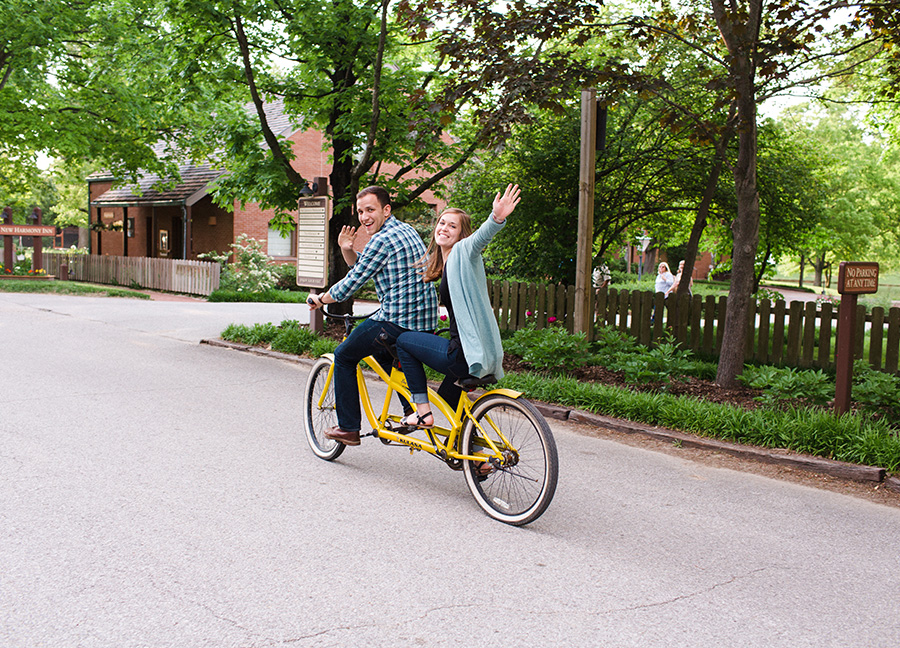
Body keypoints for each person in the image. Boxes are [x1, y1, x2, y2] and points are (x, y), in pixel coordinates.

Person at [307, 186, 439, 446]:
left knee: (344, 356)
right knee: (383, 353)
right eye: (360, 211)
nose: (364, 216)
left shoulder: (381, 240)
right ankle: (412, 410)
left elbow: (352, 282)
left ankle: (348, 428)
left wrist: (320, 299)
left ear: (386, 210)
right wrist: (347, 248)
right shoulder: (405, 230)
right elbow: (366, 265)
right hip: (425, 323)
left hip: (398, 320)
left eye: (370, 210)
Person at [393, 184, 521, 431]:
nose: (445, 228)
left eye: (453, 226)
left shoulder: (464, 251)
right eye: (442, 223)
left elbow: (480, 238)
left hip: (461, 354)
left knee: (404, 341)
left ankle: (420, 413)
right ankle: (480, 459)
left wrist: (496, 218)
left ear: (462, 235)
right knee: (452, 408)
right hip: (472, 353)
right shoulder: (447, 264)